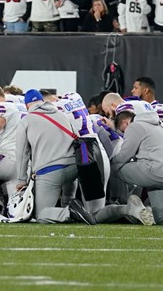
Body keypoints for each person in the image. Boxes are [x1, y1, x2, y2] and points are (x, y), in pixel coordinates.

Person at [16, 89, 95, 224]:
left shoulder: (27, 120)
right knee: (67, 198)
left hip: (49, 171)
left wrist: (21, 180)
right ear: (43, 101)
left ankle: (70, 212)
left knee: (41, 214)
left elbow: (22, 153)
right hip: (74, 167)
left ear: (27, 105)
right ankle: (70, 208)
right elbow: (76, 139)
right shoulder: (61, 114)